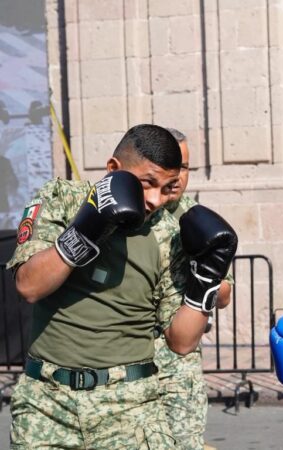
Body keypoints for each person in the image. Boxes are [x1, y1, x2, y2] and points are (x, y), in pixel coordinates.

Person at [7, 124, 237, 448]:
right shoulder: (62, 200)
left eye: (167, 187)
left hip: (130, 407)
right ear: (114, 168)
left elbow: (182, 342)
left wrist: (206, 282)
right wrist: (86, 229)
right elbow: (29, 285)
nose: (155, 199)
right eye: (147, 183)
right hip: (46, 405)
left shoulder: (169, 234)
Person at [155, 127, 233, 450]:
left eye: (184, 167)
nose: (177, 177)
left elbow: (225, 295)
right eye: (170, 167)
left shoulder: (198, 220)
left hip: (178, 367)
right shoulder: (132, 214)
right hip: (129, 365)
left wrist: (206, 272)